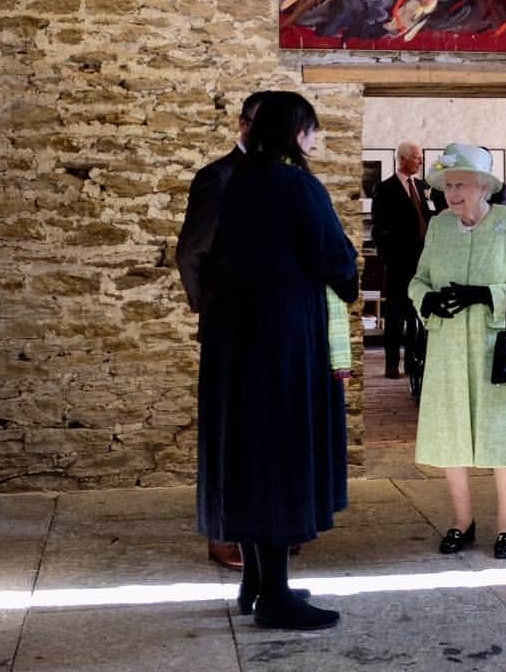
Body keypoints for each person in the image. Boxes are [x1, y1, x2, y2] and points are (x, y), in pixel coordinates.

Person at [197, 91, 357, 630]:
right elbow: (337, 260)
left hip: (238, 341)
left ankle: (258, 583)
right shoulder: (296, 185)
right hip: (285, 341)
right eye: (311, 129)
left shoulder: (238, 182)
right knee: (282, 456)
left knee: (251, 453)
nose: (316, 139)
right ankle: (278, 598)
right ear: (294, 133)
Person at [409, 143, 506, 560]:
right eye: (448, 185)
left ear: (483, 186)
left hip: (494, 347)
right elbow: (419, 279)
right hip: (448, 347)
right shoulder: (439, 226)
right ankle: (461, 520)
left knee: (501, 435)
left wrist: (485, 294)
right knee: (451, 434)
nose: (452, 193)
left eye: (461, 184)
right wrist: (425, 300)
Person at [176, 90, 268, 570]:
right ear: (243, 125)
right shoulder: (218, 177)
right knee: (227, 433)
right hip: (230, 328)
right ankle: (224, 532)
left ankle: (266, 528)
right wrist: (212, 310)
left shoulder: (284, 179)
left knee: (264, 432)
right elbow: (191, 253)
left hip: (271, 328)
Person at [371, 142, 433, 379]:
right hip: (398, 261)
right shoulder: (385, 188)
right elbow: (378, 228)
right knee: (395, 314)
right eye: (417, 157)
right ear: (403, 159)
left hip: (422, 260)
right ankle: (391, 365)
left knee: (415, 313)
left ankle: (411, 362)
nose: (421, 161)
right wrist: (387, 257)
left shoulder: (422, 186)